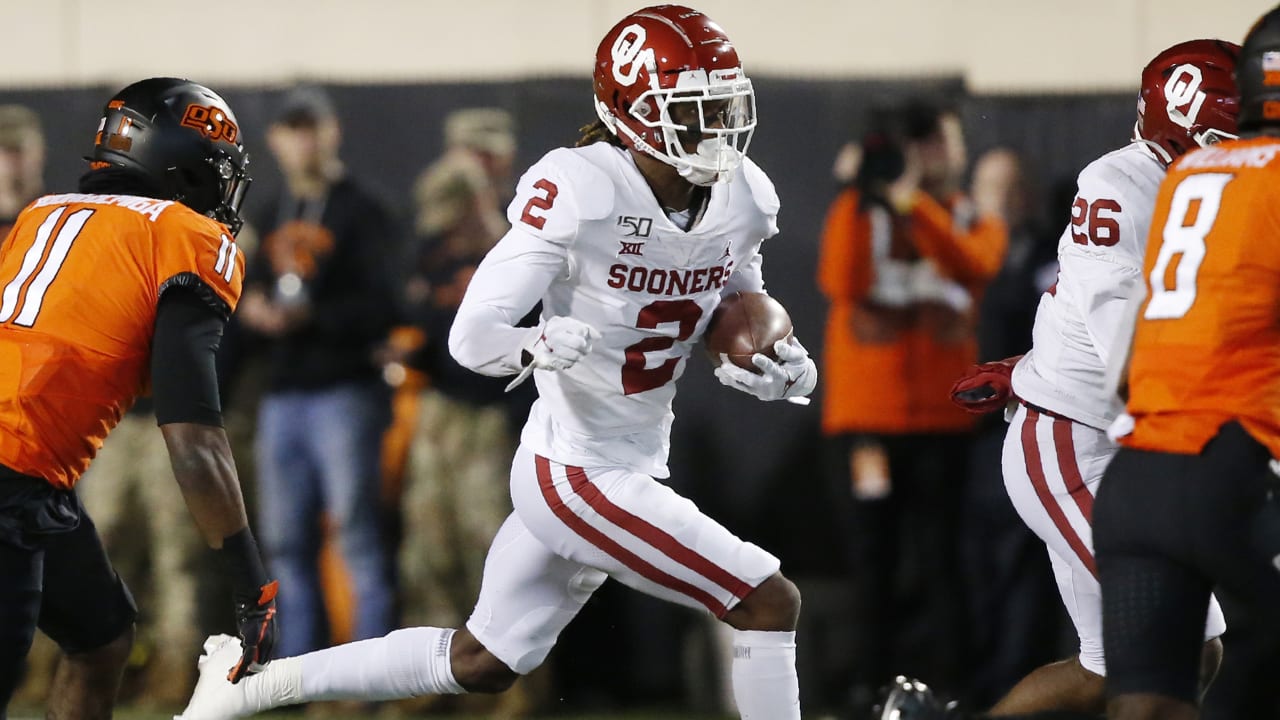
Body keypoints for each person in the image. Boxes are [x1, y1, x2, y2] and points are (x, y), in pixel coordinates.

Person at [176, 6, 812, 719]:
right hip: (575, 471)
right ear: (629, 113)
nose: (716, 128)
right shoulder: (584, 187)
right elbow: (470, 335)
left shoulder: (743, 195)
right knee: (766, 600)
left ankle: (250, 687)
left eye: (724, 105)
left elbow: (739, 293)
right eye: (693, 110)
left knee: (480, 661)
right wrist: (534, 343)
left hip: (628, 455)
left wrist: (780, 357)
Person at [887, 39, 1242, 720]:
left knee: (1131, 664)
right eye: (1237, 134)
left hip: (1123, 433)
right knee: (1164, 647)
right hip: (1080, 442)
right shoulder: (1120, 187)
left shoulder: (1212, 189)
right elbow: (1129, 357)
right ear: (1186, 133)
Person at [0, 78, 276, 719]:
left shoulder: (42, 214)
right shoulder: (186, 235)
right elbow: (194, 436)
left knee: (101, 636)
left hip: (32, 477)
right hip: (13, 474)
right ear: (184, 166)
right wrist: (250, 585)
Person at [817, 100, 1007, 711]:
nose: (932, 157)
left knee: (943, 560)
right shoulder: (859, 211)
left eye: (941, 143)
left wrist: (909, 202)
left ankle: (950, 690)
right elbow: (841, 281)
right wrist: (860, 193)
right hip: (868, 424)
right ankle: (868, 689)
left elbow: (976, 261)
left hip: (944, 423)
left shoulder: (969, 215)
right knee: (872, 562)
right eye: (920, 145)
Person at [234, 85, 399, 659]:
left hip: (344, 391)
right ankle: (300, 673)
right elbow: (241, 284)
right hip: (281, 396)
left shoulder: (363, 209)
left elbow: (387, 305)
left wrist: (313, 316)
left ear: (332, 132)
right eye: (292, 129)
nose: (303, 140)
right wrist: (252, 308)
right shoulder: (268, 209)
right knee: (284, 543)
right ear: (276, 140)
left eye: (312, 127)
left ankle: (369, 675)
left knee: (355, 536)